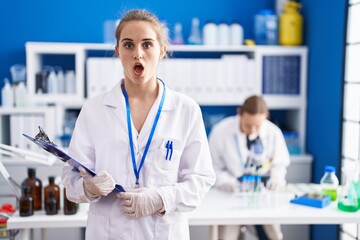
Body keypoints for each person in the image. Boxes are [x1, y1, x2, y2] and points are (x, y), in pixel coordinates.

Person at [62, 9, 215, 240]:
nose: (138, 54)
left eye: (147, 44)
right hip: (108, 233)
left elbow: (201, 179)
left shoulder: (186, 110)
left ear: (162, 50)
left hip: (163, 232)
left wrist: (160, 199)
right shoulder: (94, 110)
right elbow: (70, 177)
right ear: (117, 51)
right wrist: (88, 188)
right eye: (128, 45)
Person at [208, 95, 290, 240]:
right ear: (239, 113)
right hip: (230, 195)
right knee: (226, 236)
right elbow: (213, 167)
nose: (252, 130)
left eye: (257, 126)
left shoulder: (273, 133)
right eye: (247, 125)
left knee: (272, 236)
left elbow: (280, 164)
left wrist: (276, 180)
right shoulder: (220, 131)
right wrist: (228, 182)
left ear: (266, 116)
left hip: (262, 197)